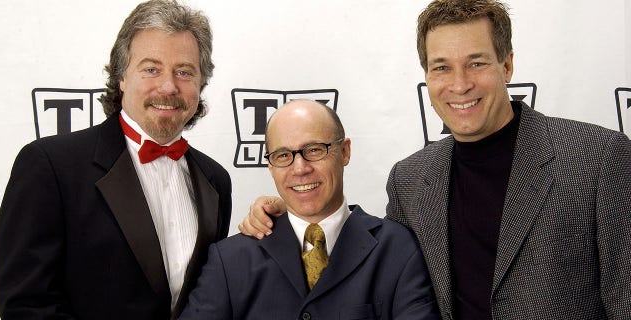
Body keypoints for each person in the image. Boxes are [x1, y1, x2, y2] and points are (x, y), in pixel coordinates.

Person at [239, 0, 631, 319]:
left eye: (476, 63)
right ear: (426, 75)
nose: (459, 84)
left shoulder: (598, 158)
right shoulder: (410, 179)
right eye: (441, 67)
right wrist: (290, 215)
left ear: (507, 65)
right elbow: (372, 267)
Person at [0, 1, 232, 319]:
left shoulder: (216, 179)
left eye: (184, 72)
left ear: (201, 83)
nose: (168, 86)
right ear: (121, 77)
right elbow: (26, 304)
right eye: (151, 69)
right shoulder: (49, 166)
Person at [179, 100, 439, 320]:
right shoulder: (230, 259)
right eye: (283, 155)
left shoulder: (396, 248)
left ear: (344, 152)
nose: (300, 168)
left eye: (314, 150)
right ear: (270, 166)